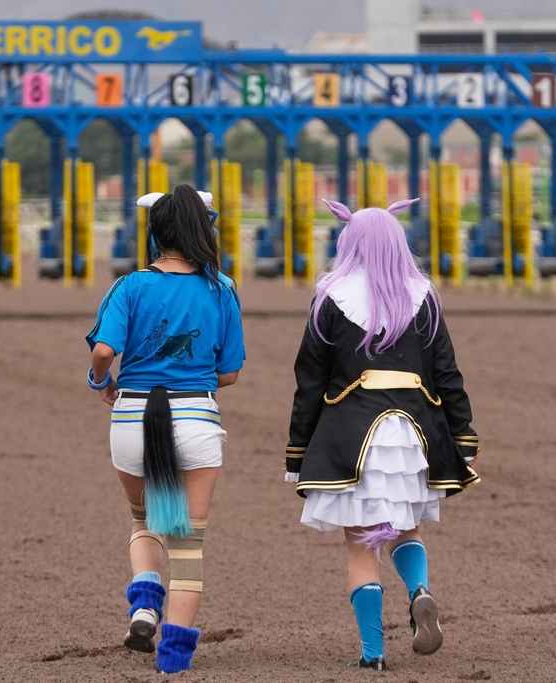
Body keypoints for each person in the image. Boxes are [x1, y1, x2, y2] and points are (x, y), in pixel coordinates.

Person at [283, 198, 480, 671]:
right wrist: (464, 437)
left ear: (348, 241)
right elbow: (447, 373)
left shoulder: (330, 296)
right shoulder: (423, 295)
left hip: (351, 438)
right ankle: (419, 589)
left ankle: (373, 654)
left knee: (361, 544)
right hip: (415, 437)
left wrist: (297, 451)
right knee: (406, 529)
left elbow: (309, 381)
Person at [86, 184, 245, 674]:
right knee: (188, 546)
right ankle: (173, 660)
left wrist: (100, 381)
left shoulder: (129, 286)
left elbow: (103, 352)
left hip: (132, 420)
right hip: (196, 421)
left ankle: (144, 600)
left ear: (155, 232)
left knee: (143, 520)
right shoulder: (222, 288)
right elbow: (229, 374)